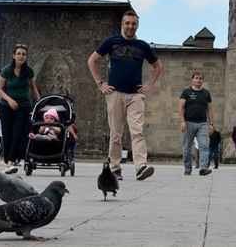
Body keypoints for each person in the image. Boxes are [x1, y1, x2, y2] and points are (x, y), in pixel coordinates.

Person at [87, 10, 164, 181]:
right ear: (122, 24)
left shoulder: (143, 46)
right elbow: (92, 60)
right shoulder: (111, 42)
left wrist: (149, 85)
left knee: (137, 131)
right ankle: (115, 168)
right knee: (116, 133)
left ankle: (140, 167)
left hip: (136, 96)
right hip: (115, 94)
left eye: (133, 23)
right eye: (127, 23)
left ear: (137, 25)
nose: (130, 26)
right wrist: (100, 83)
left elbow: (158, 66)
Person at [0, 44, 40, 174]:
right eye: (19, 53)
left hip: (23, 106)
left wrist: (39, 100)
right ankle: (7, 161)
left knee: (18, 133)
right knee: (7, 133)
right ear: (14, 55)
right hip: (6, 106)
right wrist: (10, 100)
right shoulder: (7, 71)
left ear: (26, 57)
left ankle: (11, 161)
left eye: (24, 54)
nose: (21, 56)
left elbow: (33, 87)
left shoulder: (28, 71)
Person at [178, 71, 214, 176]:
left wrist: (211, 124)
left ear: (203, 81)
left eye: (200, 78)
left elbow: (210, 109)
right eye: (196, 78)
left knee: (204, 146)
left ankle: (203, 168)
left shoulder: (206, 93)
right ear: (192, 80)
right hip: (188, 123)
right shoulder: (186, 92)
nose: (198, 80)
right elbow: (180, 108)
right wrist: (182, 121)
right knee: (187, 147)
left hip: (202, 124)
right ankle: (187, 168)